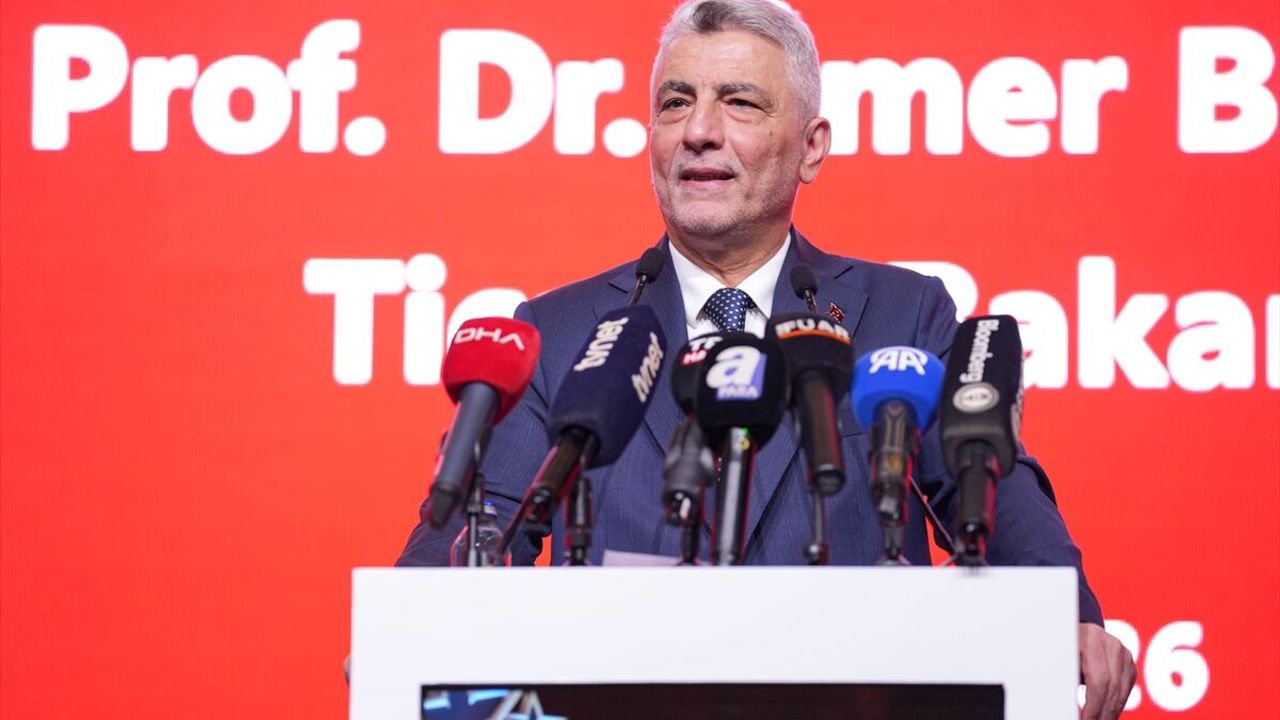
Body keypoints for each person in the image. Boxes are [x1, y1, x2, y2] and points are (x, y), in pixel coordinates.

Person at [399, 1, 1136, 717]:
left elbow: (988, 482)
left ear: (811, 146)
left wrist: (1064, 611)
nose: (699, 132)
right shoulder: (564, 331)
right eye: (675, 103)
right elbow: (482, 523)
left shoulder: (903, 312)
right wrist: (407, 630)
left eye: (740, 103)